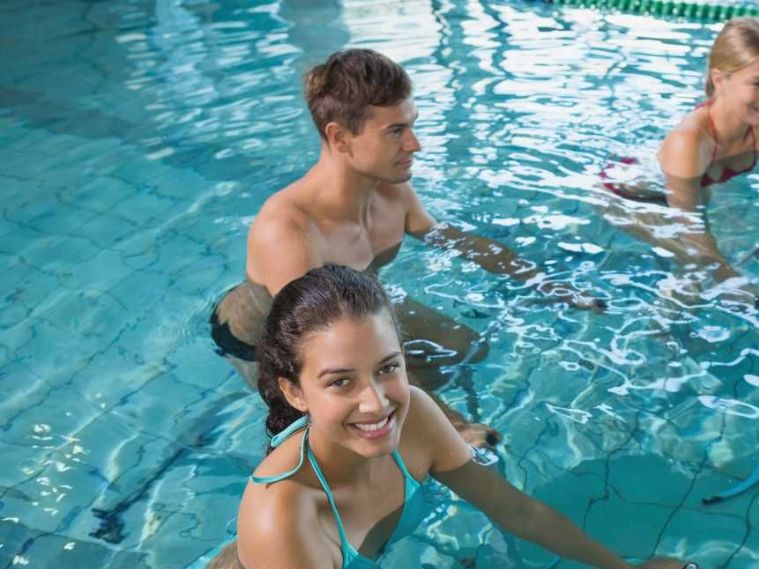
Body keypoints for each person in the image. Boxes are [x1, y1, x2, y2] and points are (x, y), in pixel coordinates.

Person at [164, 265, 697, 569]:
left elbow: (518, 512)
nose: (377, 403)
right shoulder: (285, 517)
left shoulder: (414, 415)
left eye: (387, 368)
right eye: (341, 381)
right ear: (294, 392)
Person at [212, 49, 601, 446]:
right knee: (359, 420)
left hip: (354, 306)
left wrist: (545, 283)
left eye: (412, 125)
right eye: (395, 131)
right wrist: (452, 425)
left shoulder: (390, 190)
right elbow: (337, 347)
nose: (415, 144)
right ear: (340, 137)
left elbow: (454, 240)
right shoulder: (287, 231)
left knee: (466, 350)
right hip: (263, 340)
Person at [602, 18, 759, 281]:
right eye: (758, 83)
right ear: (720, 80)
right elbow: (689, 228)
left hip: (693, 190)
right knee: (697, 268)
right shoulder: (689, 142)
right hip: (628, 197)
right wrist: (732, 282)